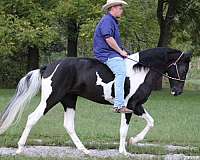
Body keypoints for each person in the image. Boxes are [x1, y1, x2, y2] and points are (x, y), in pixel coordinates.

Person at [93, 0, 133, 113]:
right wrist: (120, 51)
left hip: (110, 52)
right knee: (121, 72)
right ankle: (118, 105)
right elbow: (109, 39)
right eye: (120, 8)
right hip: (106, 54)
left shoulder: (112, 21)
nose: (122, 10)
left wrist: (124, 51)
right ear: (113, 8)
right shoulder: (107, 20)